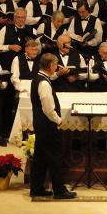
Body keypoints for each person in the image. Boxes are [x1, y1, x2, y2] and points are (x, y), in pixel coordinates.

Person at [30, 53, 76, 199]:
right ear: (50, 66)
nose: (57, 67)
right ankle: (60, 191)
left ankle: (36, 189)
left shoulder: (39, 78)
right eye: (55, 65)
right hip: (47, 125)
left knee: (40, 158)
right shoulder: (43, 83)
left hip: (40, 124)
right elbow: (48, 108)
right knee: (55, 157)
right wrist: (58, 120)